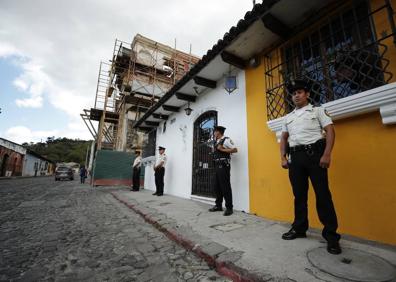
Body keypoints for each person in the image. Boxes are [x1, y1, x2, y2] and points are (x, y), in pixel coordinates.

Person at [280, 79, 341, 255]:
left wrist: (327, 154)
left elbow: (330, 131)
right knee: (299, 195)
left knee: (323, 195)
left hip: (315, 155)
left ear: (307, 94)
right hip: (295, 158)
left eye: (299, 92)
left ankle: (331, 237)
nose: (296, 95)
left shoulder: (318, 110)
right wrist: (283, 157)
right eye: (293, 93)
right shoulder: (288, 117)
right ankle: (299, 228)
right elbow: (284, 138)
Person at [208, 126, 238, 216]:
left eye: (215, 132)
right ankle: (218, 206)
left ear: (218, 132)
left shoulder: (226, 139)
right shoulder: (216, 142)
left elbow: (235, 149)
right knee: (217, 186)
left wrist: (222, 149)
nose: (214, 133)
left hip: (224, 165)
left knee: (225, 186)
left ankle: (229, 208)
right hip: (216, 165)